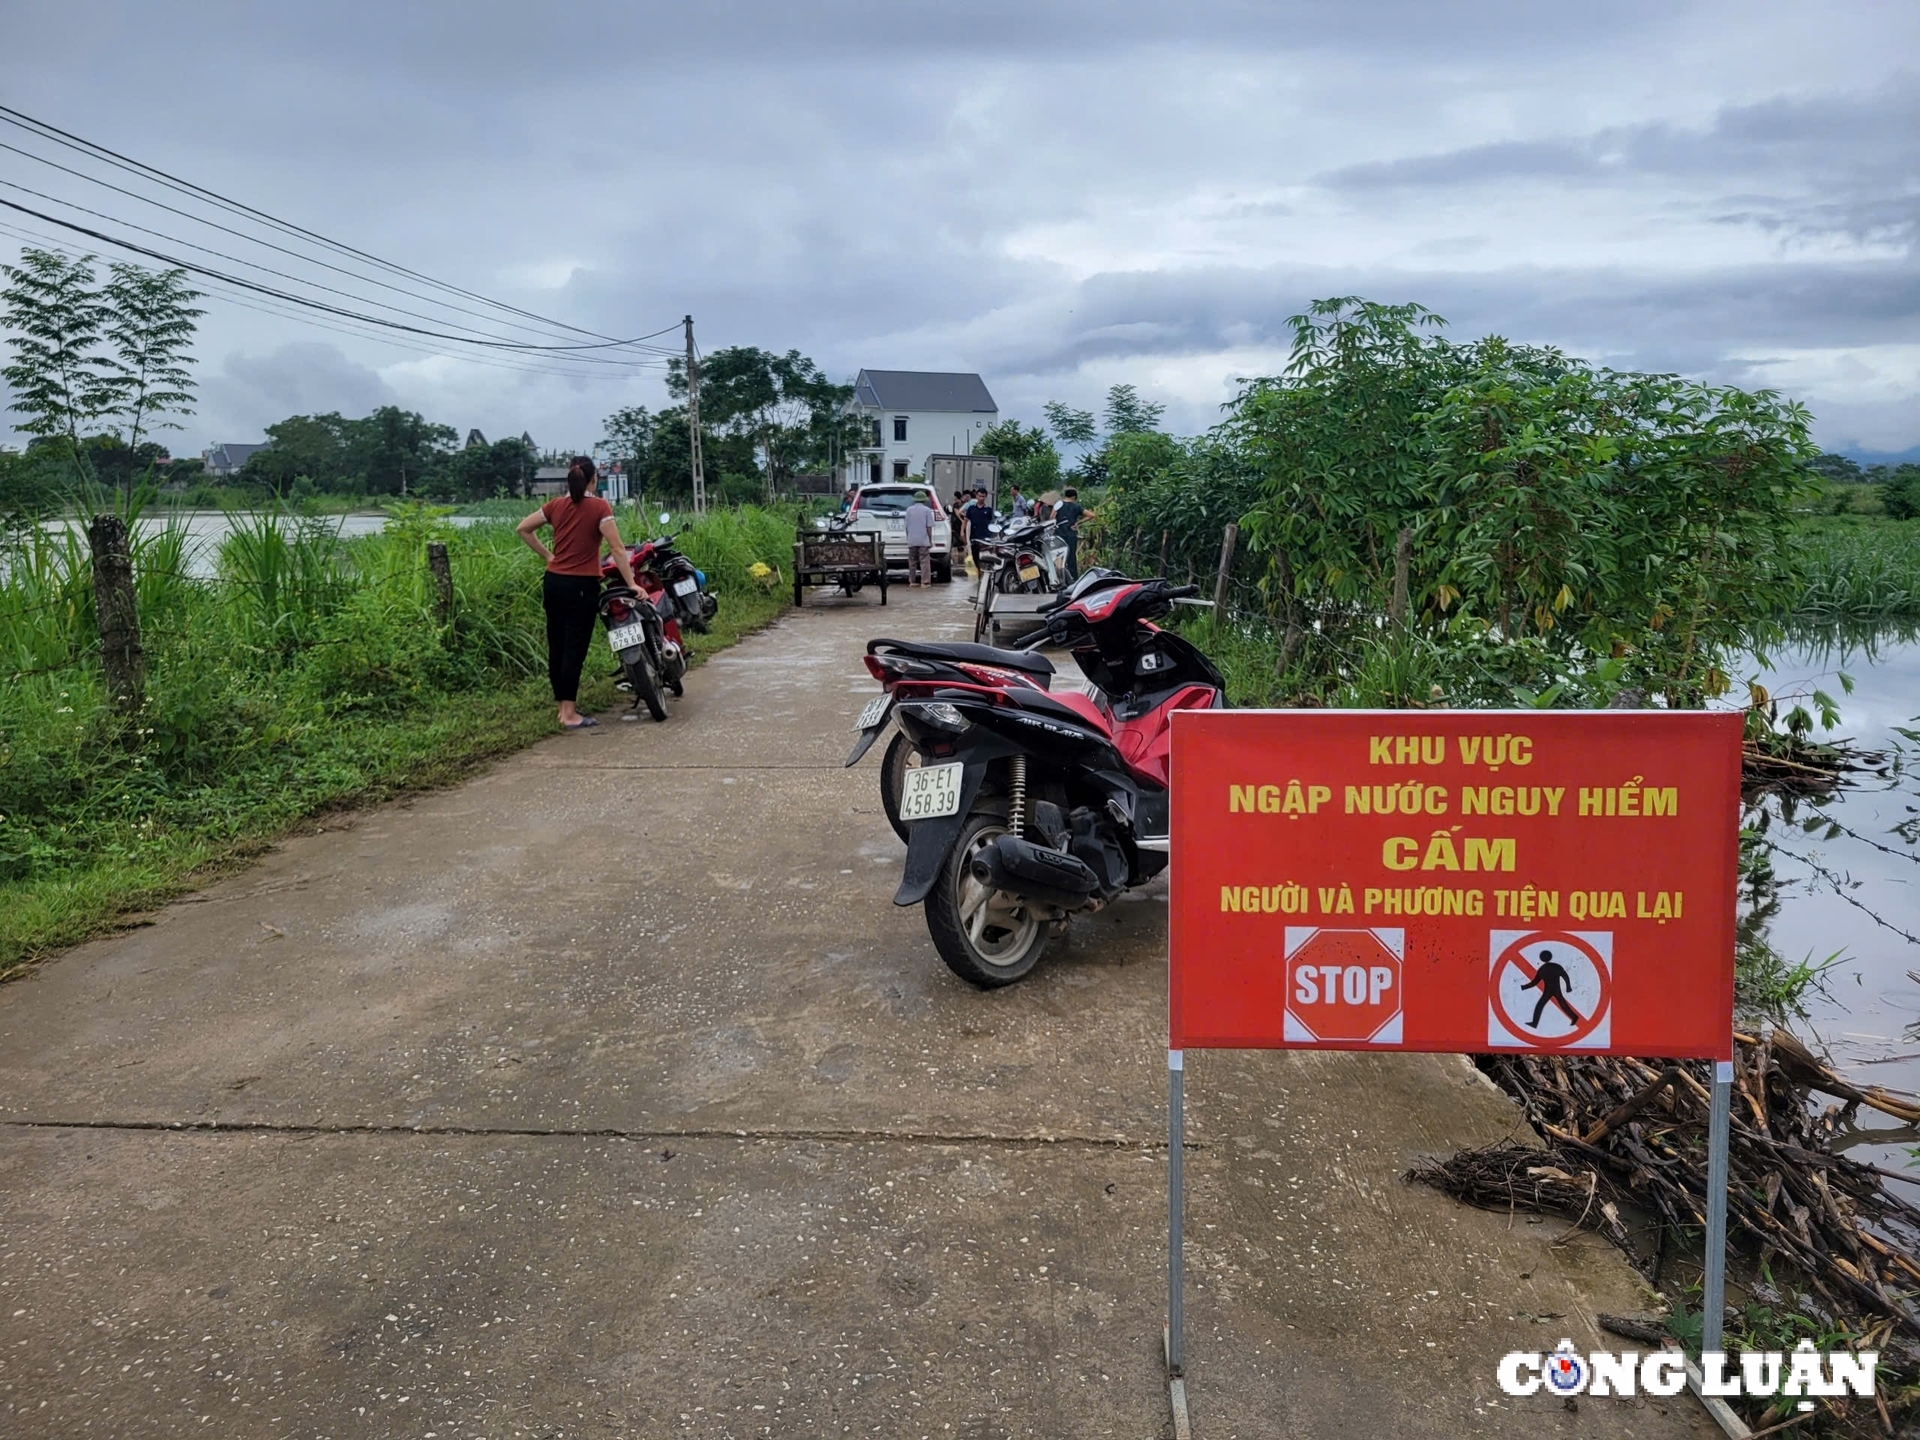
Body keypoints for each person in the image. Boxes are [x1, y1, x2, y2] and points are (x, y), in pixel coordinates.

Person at [516, 456, 639, 730]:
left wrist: (549, 556)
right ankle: (570, 715)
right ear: (593, 479)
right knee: (574, 648)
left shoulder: (556, 505)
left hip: (554, 582)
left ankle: (563, 709)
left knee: (557, 646)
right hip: (581, 586)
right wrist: (632, 584)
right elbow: (618, 549)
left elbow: (523, 528)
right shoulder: (599, 506)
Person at [1520, 949, 1583, 1029]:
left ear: (1542, 958)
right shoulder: (1556, 966)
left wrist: (1524, 987)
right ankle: (1534, 1023)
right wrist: (1568, 987)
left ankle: (1534, 1023)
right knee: (1561, 1005)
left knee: (1542, 1005)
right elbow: (1565, 976)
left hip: (1549, 990)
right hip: (1554, 990)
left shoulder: (1542, 969)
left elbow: (1534, 982)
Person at [903, 490, 936, 587]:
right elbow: (929, 527)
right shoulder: (927, 510)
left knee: (912, 561)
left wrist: (908, 538)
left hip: (912, 539)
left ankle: (912, 581)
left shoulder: (909, 510)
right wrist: (930, 540)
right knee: (924, 561)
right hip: (923, 540)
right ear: (924, 500)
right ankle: (924, 582)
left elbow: (906, 526)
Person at [1053, 486, 1087, 580]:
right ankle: (1073, 579)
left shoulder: (1059, 504)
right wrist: (1078, 523)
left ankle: (1059, 578)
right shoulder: (1077, 506)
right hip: (1071, 535)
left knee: (1059, 557)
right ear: (1074, 497)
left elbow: (1052, 517)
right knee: (1071, 557)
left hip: (1059, 534)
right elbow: (1091, 515)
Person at [965, 486, 997, 570]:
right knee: (975, 556)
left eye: (983, 496)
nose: (981, 498)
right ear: (976, 496)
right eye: (979, 496)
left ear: (985, 497)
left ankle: (984, 573)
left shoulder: (989, 510)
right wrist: (962, 532)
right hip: (974, 537)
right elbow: (965, 521)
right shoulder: (971, 509)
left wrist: (993, 536)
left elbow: (992, 523)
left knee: (985, 557)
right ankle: (979, 571)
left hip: (985, 537)